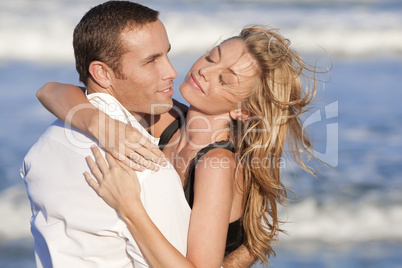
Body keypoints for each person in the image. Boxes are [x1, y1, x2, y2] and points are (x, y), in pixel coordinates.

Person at [37, 24, 319, 267]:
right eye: (211, 57)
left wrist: (129, 206)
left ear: (243, 112)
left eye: (224, 78)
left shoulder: (215, 164)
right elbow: (49, 91)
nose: (205, 71)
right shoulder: (168, 119)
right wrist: (98, 123)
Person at [20, 2, 192, 267]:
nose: (171, 72)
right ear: (102, 73)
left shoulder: (44, 145)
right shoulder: (145, 166)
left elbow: (48, 90)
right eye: (151, 61)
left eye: (166, 55)